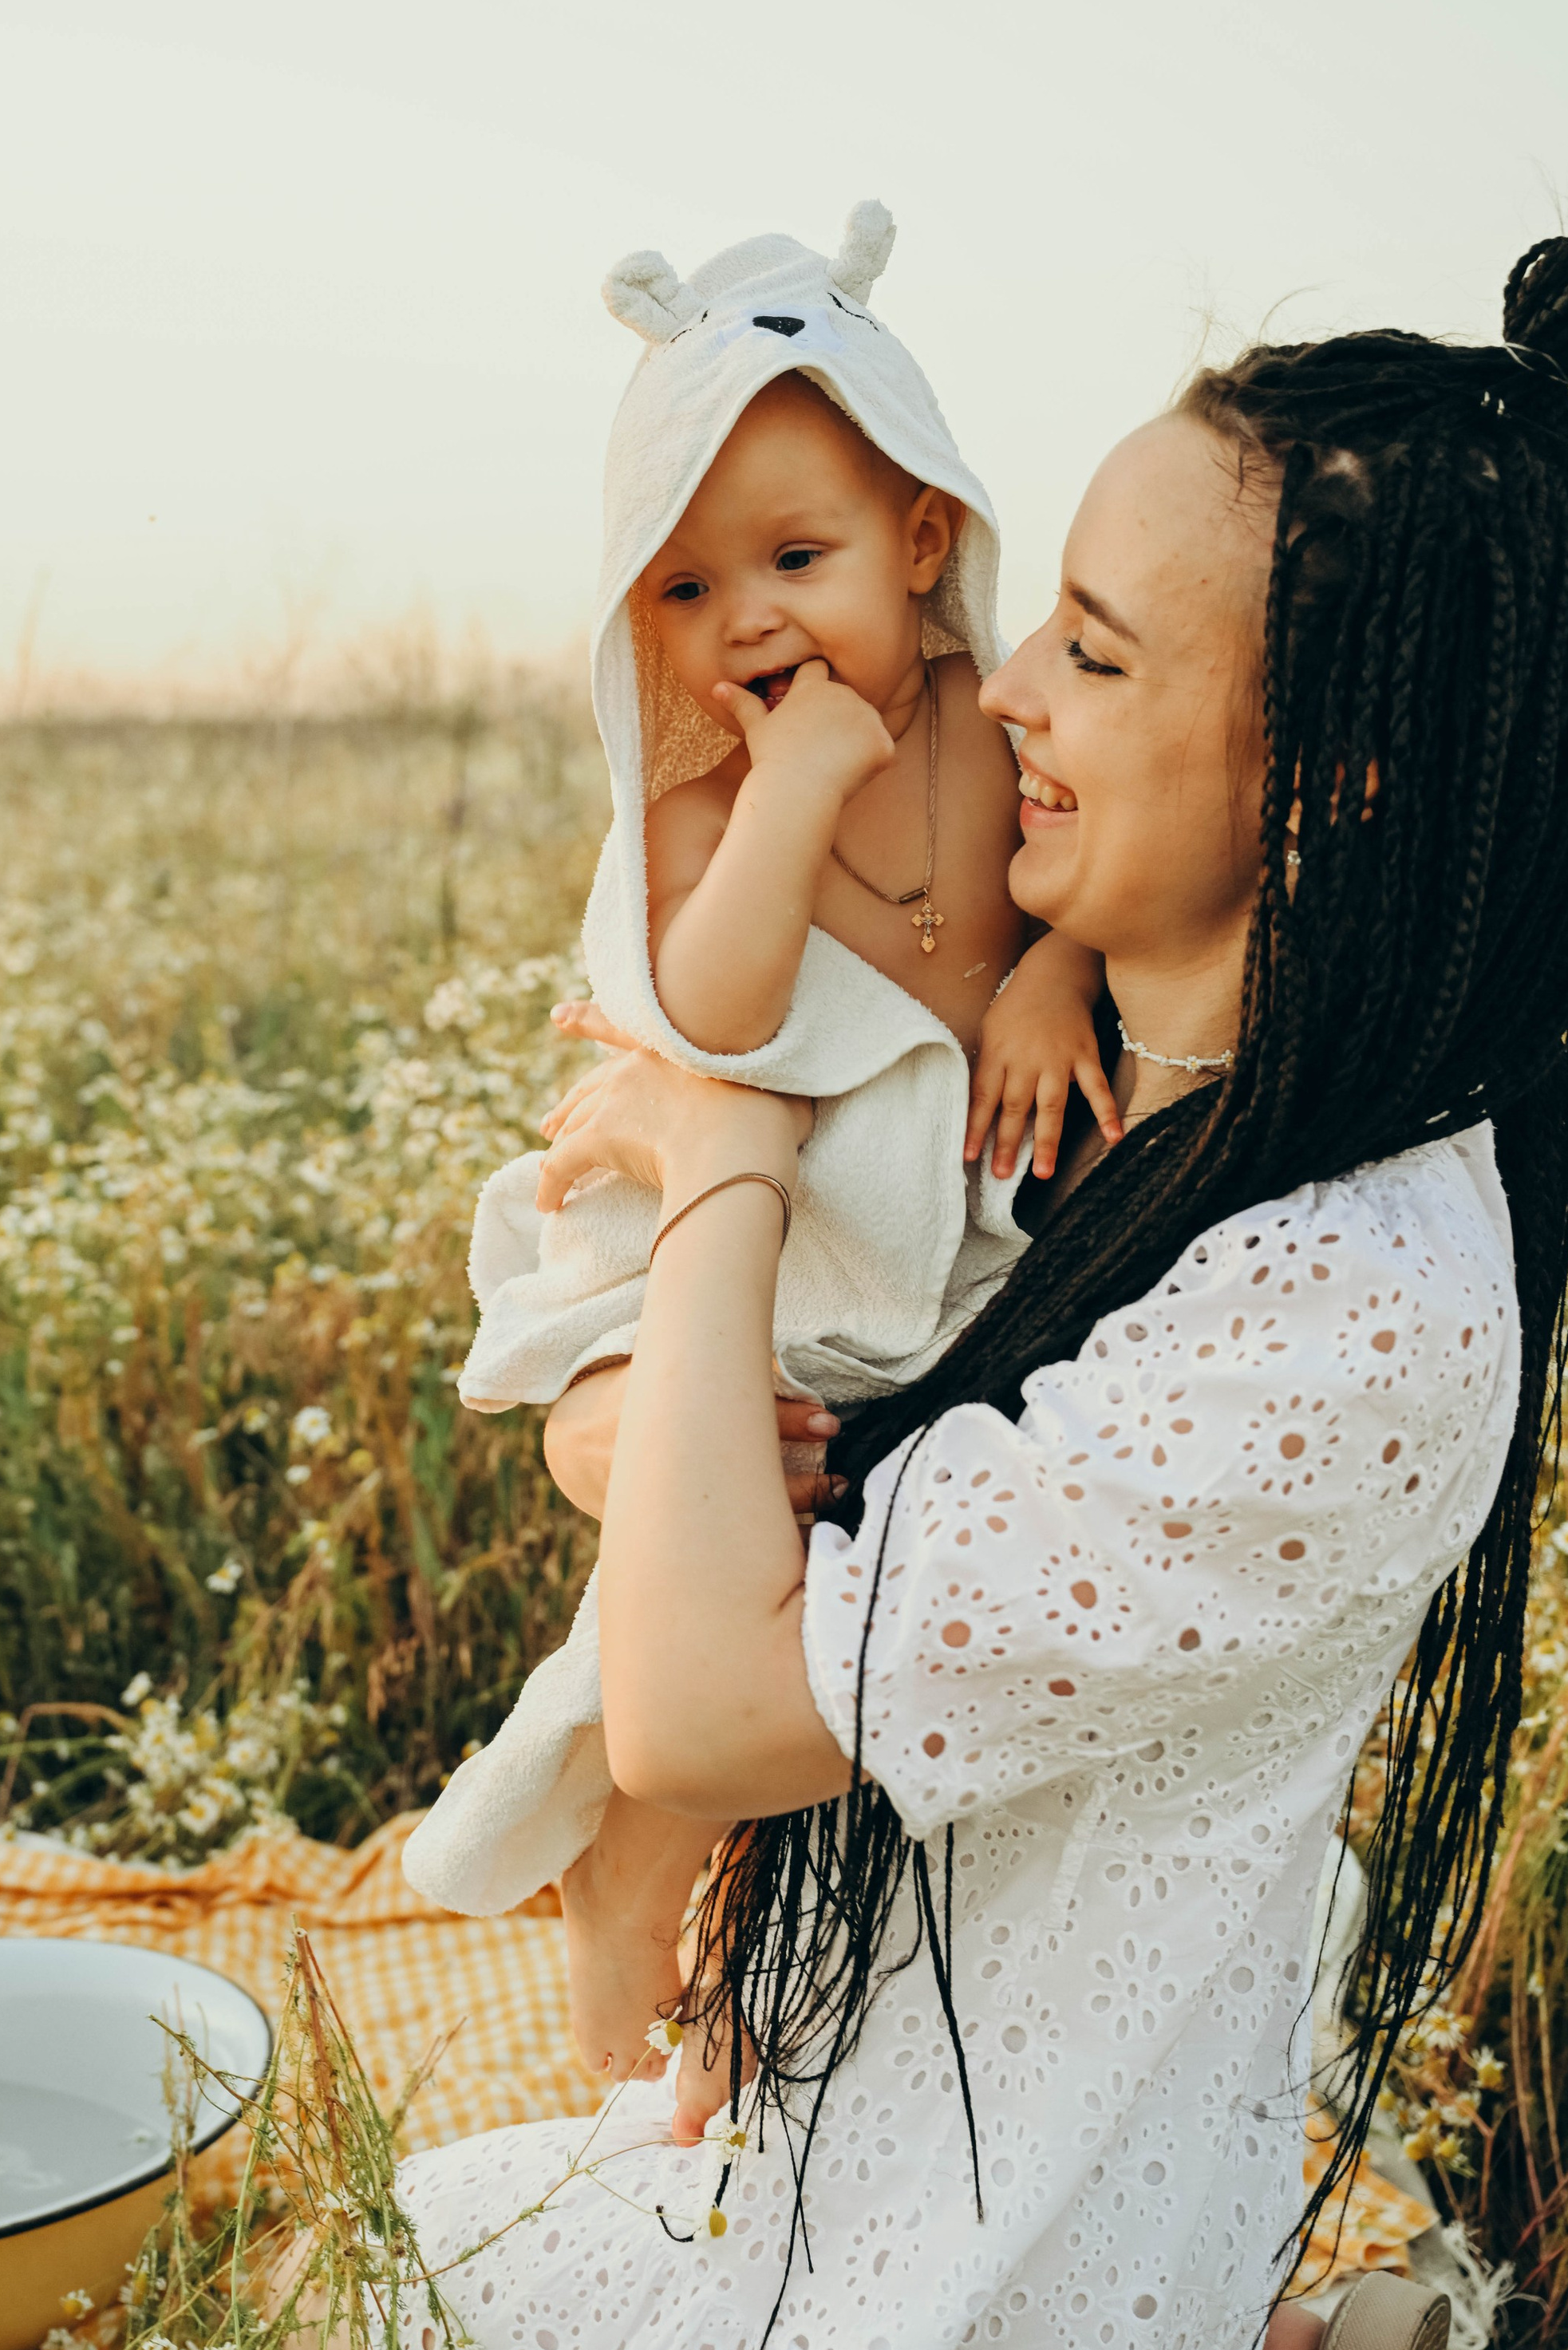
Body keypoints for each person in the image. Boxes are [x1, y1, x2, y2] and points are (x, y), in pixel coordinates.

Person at [374, 237, 1568, 2350]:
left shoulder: (1354, 1308)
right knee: (444, 2305)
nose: (998, 683)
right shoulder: (1237, 1071)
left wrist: (718, 1156)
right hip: (1014, 2032)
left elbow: (705, 1716)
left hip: (989, 2170)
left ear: (1333, 773)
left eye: (1101, 655)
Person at [404, 205, 1109, 1966]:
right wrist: (790, 789)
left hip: (932, 1268)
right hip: (742, 1272)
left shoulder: (998, 725)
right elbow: (712, 1015)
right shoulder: (712, 814)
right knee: (680, 1567)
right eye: (687, 589)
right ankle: (616, 1924)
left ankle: (765, 1923)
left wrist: (1054, 973)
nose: (744, 620)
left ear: (921, 535)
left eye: (795, 558)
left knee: (844, 1625)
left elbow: (1099, 865)